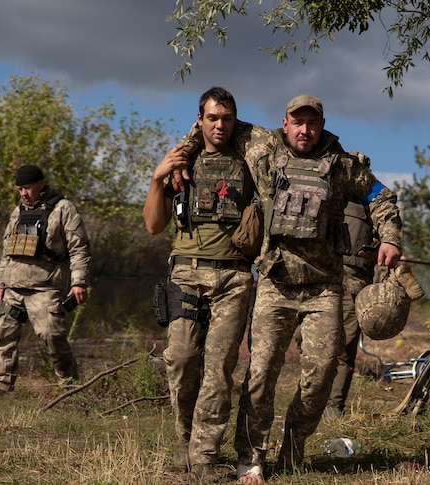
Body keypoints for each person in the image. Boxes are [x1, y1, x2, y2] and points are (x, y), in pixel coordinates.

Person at [182, 94, 402, 483]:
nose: (305, 130)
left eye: (312, 123)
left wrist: (390, 237)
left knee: (319, 378)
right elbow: (211, 127)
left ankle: (293, 448)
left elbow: (379, 195)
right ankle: (251, 458)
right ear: (285, 123)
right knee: (261, 374)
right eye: (297, 122)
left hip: (324, 288)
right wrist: (179, 161)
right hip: (274, 282)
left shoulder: (341, 165)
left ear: (321, 125)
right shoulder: (262, 147)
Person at [143, 87, 256, 483]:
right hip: (186, 273)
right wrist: (158, 178)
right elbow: (154, 225)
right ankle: (184, 439)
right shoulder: (182, 162)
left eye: (226, 118)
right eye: (212, 118)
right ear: (200, 119)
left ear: (234, 120)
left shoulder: (249, 163)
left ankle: (206, 455)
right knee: (182, 357)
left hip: (233, 276)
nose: (219, 125)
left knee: (220, 366)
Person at [0, 164, 91, 400]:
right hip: (13, 287)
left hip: (45, 288)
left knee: (53, 337)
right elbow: (7, 252)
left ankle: (70, 389)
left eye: (27, 187)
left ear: (41, 184)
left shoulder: (63, 209)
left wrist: (79, 282)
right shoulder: (17, 212)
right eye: (20, 189)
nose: (23, 193)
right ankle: (0, 389)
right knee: (4, 338)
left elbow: (79, 249)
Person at [327, 201, 376, 417]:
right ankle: (311, 401)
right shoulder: (326, 185)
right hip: (321, 276)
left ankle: (333, 408)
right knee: (311, 343)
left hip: (354, 280)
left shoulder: (373, 200)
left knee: (345, 348)